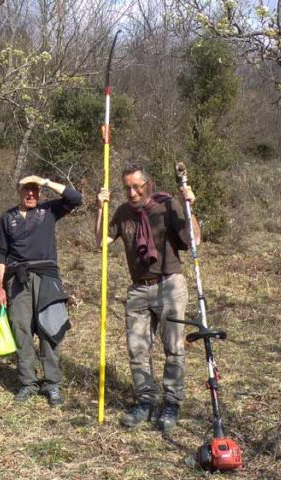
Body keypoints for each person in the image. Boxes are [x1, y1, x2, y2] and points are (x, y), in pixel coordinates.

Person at [95, 163, 200, 433]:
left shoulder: (167, 206)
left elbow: (193, 241)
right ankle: (144, 401)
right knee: (137, 349)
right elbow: (101, 242)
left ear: (148, 185)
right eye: (127, 187)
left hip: (169, 284)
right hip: (138, 289)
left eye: (136, 187)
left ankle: (172, 404)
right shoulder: (122, 212)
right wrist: (100, 209)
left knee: (174, 347)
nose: (131, 193)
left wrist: (190, 208)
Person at [0, 175, 82, 407]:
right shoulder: (7, 217)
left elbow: (76, 198)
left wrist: (44, 181)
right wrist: (1, 288)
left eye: (35, 190)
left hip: (47, 278)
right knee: (21, 330)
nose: (31, 194)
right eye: (26, 190)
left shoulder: (48, 211)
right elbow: (1, 253)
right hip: (17, 280)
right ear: (19, 192)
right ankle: (28, 383)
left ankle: (52, 383)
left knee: (50, 329)